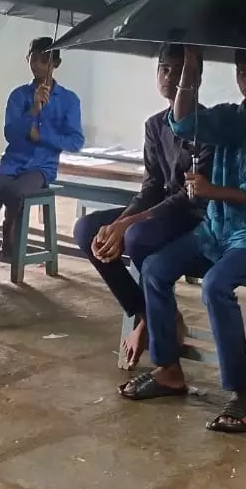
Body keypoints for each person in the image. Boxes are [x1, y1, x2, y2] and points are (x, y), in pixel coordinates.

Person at [119, 46, 246, 435]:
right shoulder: (226, 118)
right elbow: (182, 123)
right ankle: (168, 369)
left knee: (216, 286)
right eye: (244, 73)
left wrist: (211, 190)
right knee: (153, 268)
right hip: (215, 231)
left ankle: (243, 393)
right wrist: (188, 70)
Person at [72, 44, 212, 370]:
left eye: (180, 70)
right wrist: (117, 223)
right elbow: (151, 186)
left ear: (196, 78)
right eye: (164, 68)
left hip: (192, 216)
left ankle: (150, 324)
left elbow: (187, 196)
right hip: (159, 211)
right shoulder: (154, 125)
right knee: (88, 231)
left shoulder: (207, 126)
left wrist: (127, 225)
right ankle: (148, 314)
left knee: (136, 237)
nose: (170, 76)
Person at [0, 37, 84, 257]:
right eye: (33, 58)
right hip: (13, 161)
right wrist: (34, 109)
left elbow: (75, 141)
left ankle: (10, 230)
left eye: (44, 59)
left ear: (55, 64)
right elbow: (10, 134)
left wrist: (42, 136)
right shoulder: (19, 96)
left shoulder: (69, 100)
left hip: (41, 166)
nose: (37, 64)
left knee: (17, 194)